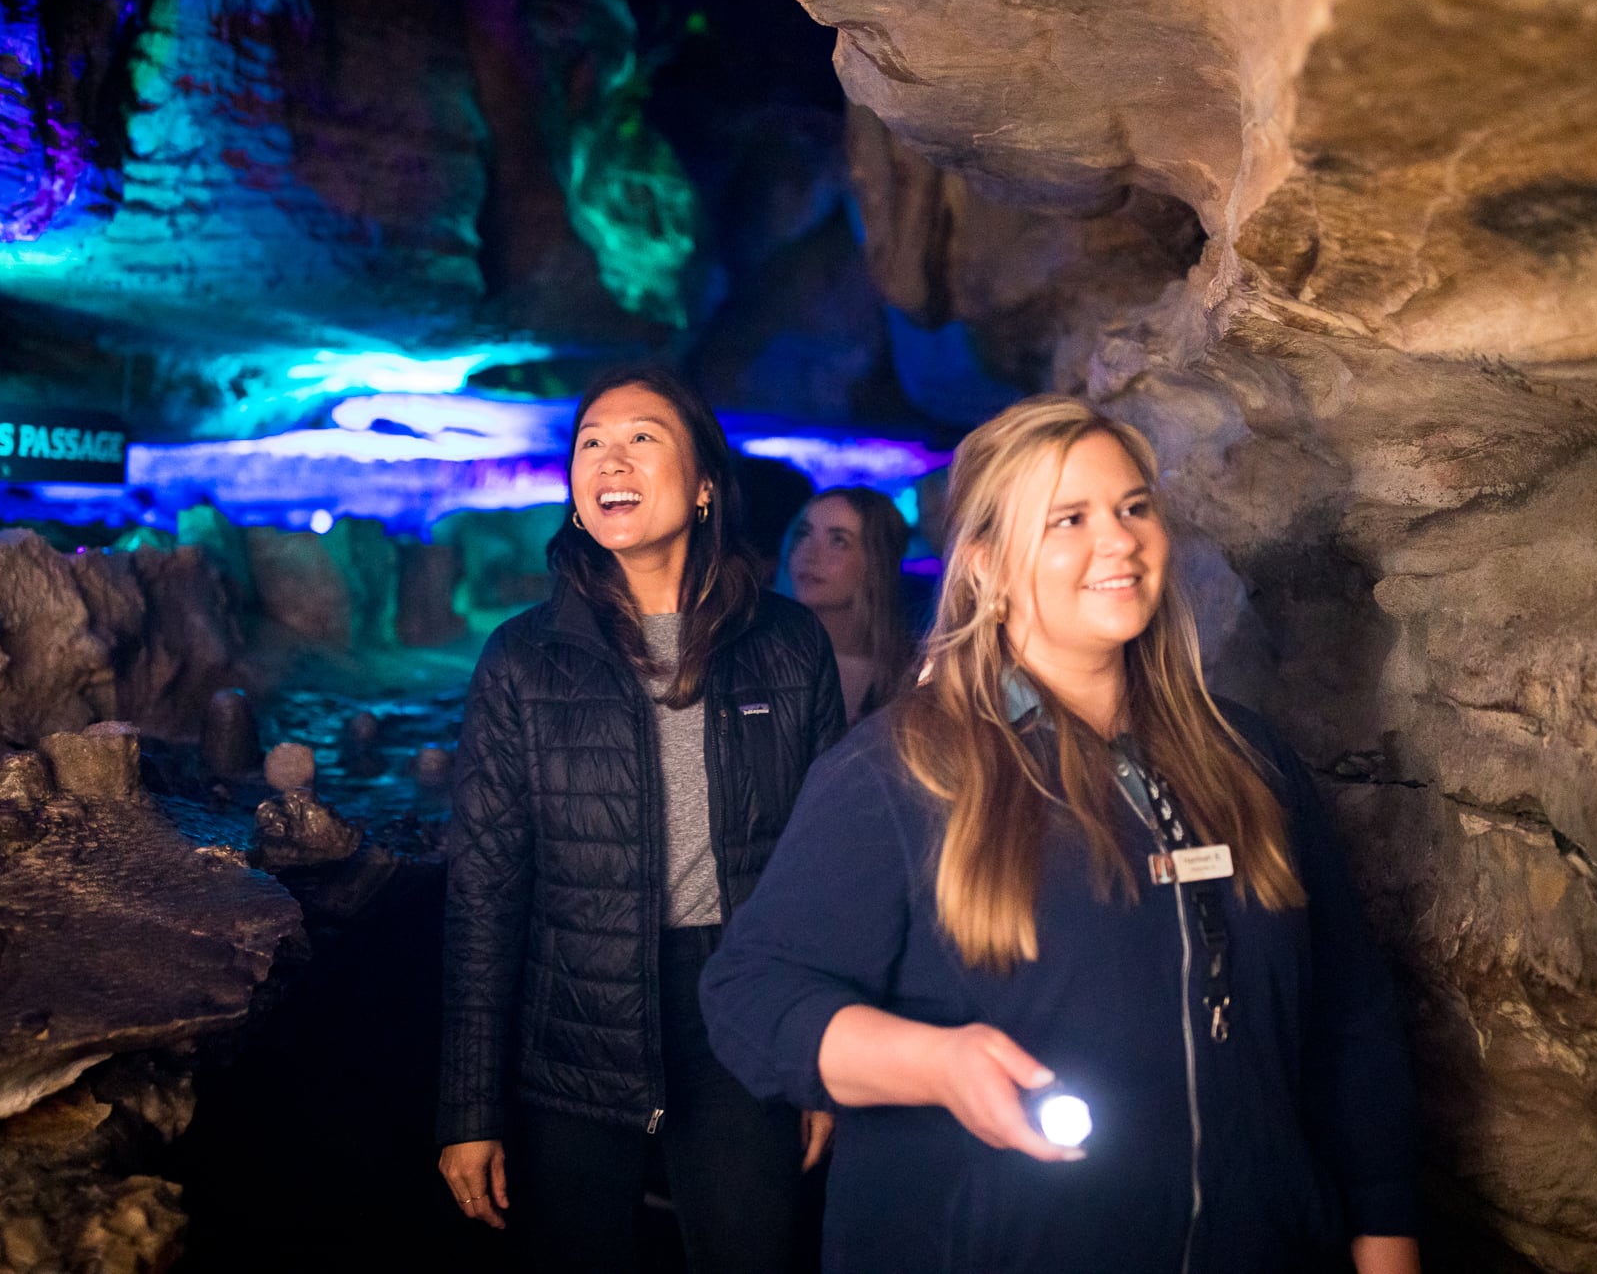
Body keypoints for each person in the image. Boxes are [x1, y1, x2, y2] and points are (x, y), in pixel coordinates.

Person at [701, 395, 1420, 1274]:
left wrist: (1386, 1232)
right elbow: (748, 994)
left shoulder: (1249, 756)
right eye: (1069, 518)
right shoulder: (901, 770)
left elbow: (1351, 1015)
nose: (1118, 540)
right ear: (988, 565)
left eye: (1133, 508)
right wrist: (932, 1064)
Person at [436, 365, 846, 1274]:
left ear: (705, 484)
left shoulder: (788, 642)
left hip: (742, 1005)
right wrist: (469, 1108)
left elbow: (825, 873)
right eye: (590, 442)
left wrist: (826, 1053)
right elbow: (483, 893)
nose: (609, 458)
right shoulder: (522, 661)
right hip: (574, 1006)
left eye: (642, 437)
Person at [777, 486, 914, 723]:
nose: (810, 553)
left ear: (877, 562)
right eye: (803, 534)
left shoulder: (910, 677)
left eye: (838, 541)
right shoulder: (759, 656)